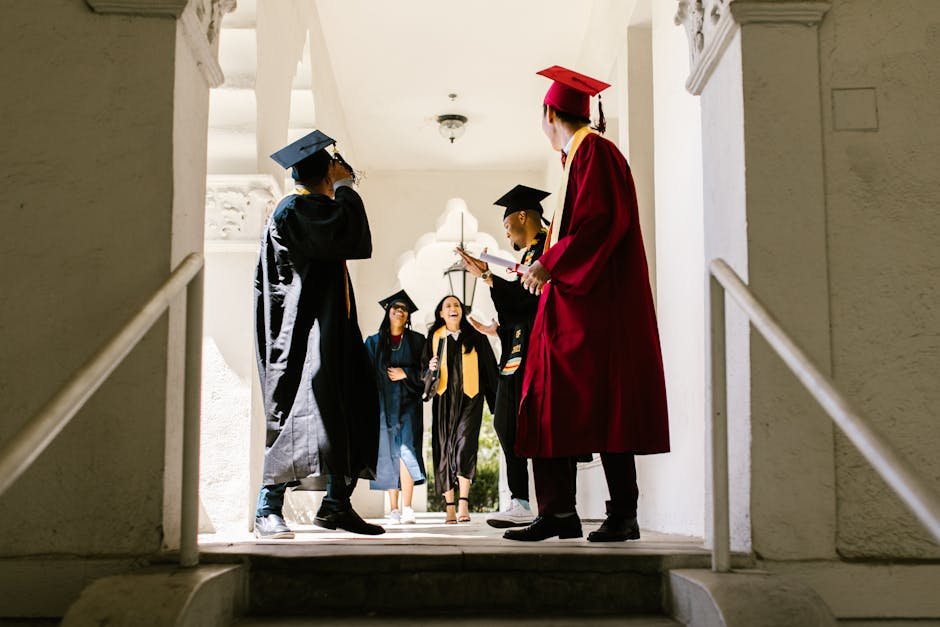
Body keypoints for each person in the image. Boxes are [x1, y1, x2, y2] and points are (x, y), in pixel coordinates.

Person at [505, 66, 670, 542]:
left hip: (589, 304)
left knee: (585, 401)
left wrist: (549, 263)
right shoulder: (578, 158)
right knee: (563, 403)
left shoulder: (594, 152)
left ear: (549, 113)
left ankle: (616, 513)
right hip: (580, 302)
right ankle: (562, 513)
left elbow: (600, 222)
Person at [254, 129, 384, 538]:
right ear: (325, 174)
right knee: (299, 412)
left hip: (328, 332)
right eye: (334, 169)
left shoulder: (306, 210)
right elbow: (351, 233)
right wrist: (346, 185)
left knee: (348, 405)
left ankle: (335, 506)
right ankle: (266, 508)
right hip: (303, 336)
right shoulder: (296, 209)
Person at [455, 184, 552, 529]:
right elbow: (522, 309)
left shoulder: (547, 248)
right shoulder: (528, 257)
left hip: (538, 350)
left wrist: (486, 275)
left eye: (508, 224)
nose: (507, 231)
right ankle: (522, 500)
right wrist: (497, 329)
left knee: (525, 423)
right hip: (517, 347)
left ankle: (541, 504)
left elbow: (532, 301)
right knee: (506, 421)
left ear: (523, 216)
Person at [423, 295, 498, 524]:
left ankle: (464, 501)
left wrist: (497, 404)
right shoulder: (434, 339)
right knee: (444, 449)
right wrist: (430, 368)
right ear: (441, 314)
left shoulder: (475, 337)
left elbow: (489, 369)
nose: (453, 308)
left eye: (456, 305)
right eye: (448, 306)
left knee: (465, 445)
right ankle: (450, 507)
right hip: (444, 399)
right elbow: (423, 373)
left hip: (470, 398)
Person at [364, 290, 427, 525]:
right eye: (395, 307)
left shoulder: (418, 341)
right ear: (388, 312)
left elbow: (427, 373)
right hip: (383, 405)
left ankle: (408, 506)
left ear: (408, 315)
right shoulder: (373, 342)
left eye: (404, 308)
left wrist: (406, 374)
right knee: (388, 451)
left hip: (409, 402)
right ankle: (393, 509)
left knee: (406, 450)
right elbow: (364, 374)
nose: (399, 311)